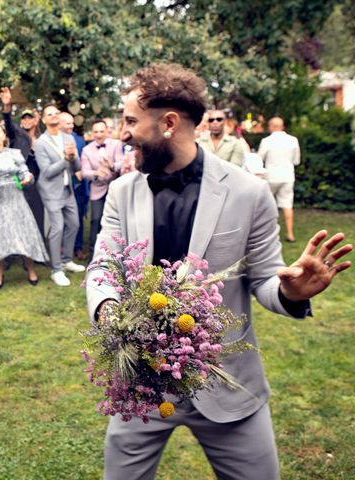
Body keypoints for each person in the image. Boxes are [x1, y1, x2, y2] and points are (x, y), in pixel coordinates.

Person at [85, 63, 352, 480]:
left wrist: (292, 294)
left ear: (169, 123)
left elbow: (265, 279)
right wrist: (109, 313)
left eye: (131, 121)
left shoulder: (250, 193)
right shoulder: (122, 192)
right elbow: (104, 265)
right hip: (141, 387)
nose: (122, 132)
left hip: (229, 388)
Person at [0, 124, 48, 289]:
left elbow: (24, 172)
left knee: (25, 234)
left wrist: (28, 177)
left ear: (4, 136)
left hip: (16, 200)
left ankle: (31, 269)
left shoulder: (15, 153)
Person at [34, 104, 85, 287]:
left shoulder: (68, 137)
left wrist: (73, 157)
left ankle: (66, 260)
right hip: (50, 191)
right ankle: (56, 270)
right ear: (44, 119)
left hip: (67, 189)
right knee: (57, 228)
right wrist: (66, 159)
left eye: (56, 112)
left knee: (74, 224)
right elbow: (47, 172)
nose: (54, 115)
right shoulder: (41, 143)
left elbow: (77, 167)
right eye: (50, 114)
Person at [0, 87, 46, 239]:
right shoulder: (17, 135)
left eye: (29, 118)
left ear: (35, 120)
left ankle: (37, 249)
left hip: (39, 182)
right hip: (19, 180)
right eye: (23, 118)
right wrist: (7, 106)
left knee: (37, 214)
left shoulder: (42, 138)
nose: (26, 120)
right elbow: (8, 122)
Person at [80, 119, 125, 255]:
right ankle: (94, 253)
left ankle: (118, 252)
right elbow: (84, 172)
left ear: (107, 131)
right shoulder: (86, 150)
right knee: (95, 220)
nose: (99, 134)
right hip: (97, 189)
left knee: (119, 221)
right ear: (92, 133)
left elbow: (121, 163)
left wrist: (111, 165)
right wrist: (96, 173)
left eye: (101, 131)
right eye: (96, 132)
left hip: (115, 188)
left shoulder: (116, 144)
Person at [258, 117, 301, 243]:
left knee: (268, 206)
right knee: (287, 205)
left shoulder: (266, 141)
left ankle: (269, 234)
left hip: (270, 177)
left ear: (271, 126)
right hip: (287, 176)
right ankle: (290, 234)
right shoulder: (293, 140)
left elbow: (259, 158)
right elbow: (296, 161)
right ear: (282, 127)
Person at [59, 111, 90, 261]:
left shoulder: (79, 140)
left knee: (76, 217)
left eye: (72, 122)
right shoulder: (54, 139)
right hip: (59, 184)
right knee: (60, 219)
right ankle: (62, 247)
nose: (71, 125)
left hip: (76, 184)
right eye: (68, 123)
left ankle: (77, 247)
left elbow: (82, 160)